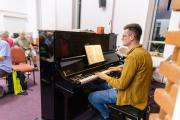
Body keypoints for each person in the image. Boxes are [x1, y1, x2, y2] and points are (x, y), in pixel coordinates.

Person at [88, 23, 153, 120]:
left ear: (131, 37)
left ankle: (107, 115)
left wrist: (105, 76)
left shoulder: (133, 56)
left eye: (124, 36)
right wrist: (120, 69)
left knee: (92, 96)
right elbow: (137, 71)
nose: (122, 38)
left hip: (130, 96)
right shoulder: (144, 52)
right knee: (101, 85)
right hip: (139, 92)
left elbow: (121, 85)